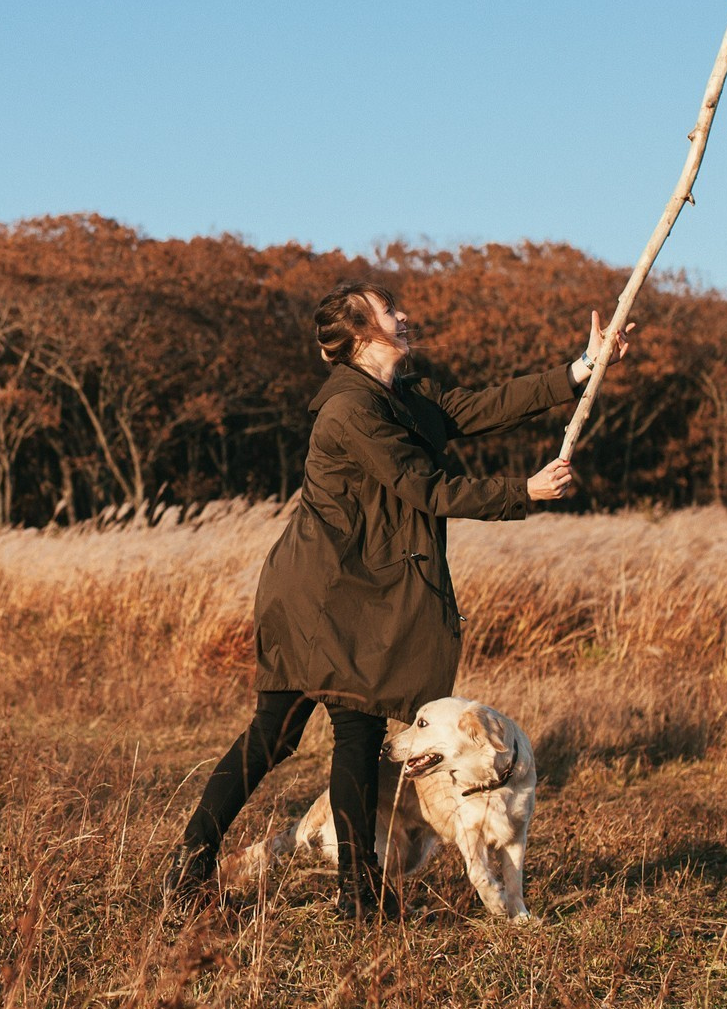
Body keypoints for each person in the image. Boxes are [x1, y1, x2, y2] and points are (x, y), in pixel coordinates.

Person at [164, 281, 631, 919]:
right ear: (361, 335)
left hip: (359, 594)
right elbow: (424, 486)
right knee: (278, 736)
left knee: (354, 732)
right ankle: (192, 869)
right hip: (315, 595)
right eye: (389, 312)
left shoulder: (403, 394)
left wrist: (582, 368)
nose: (404, 315)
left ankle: (358, 897)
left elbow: (477, 407)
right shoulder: (348, 410)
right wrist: (523, 491)